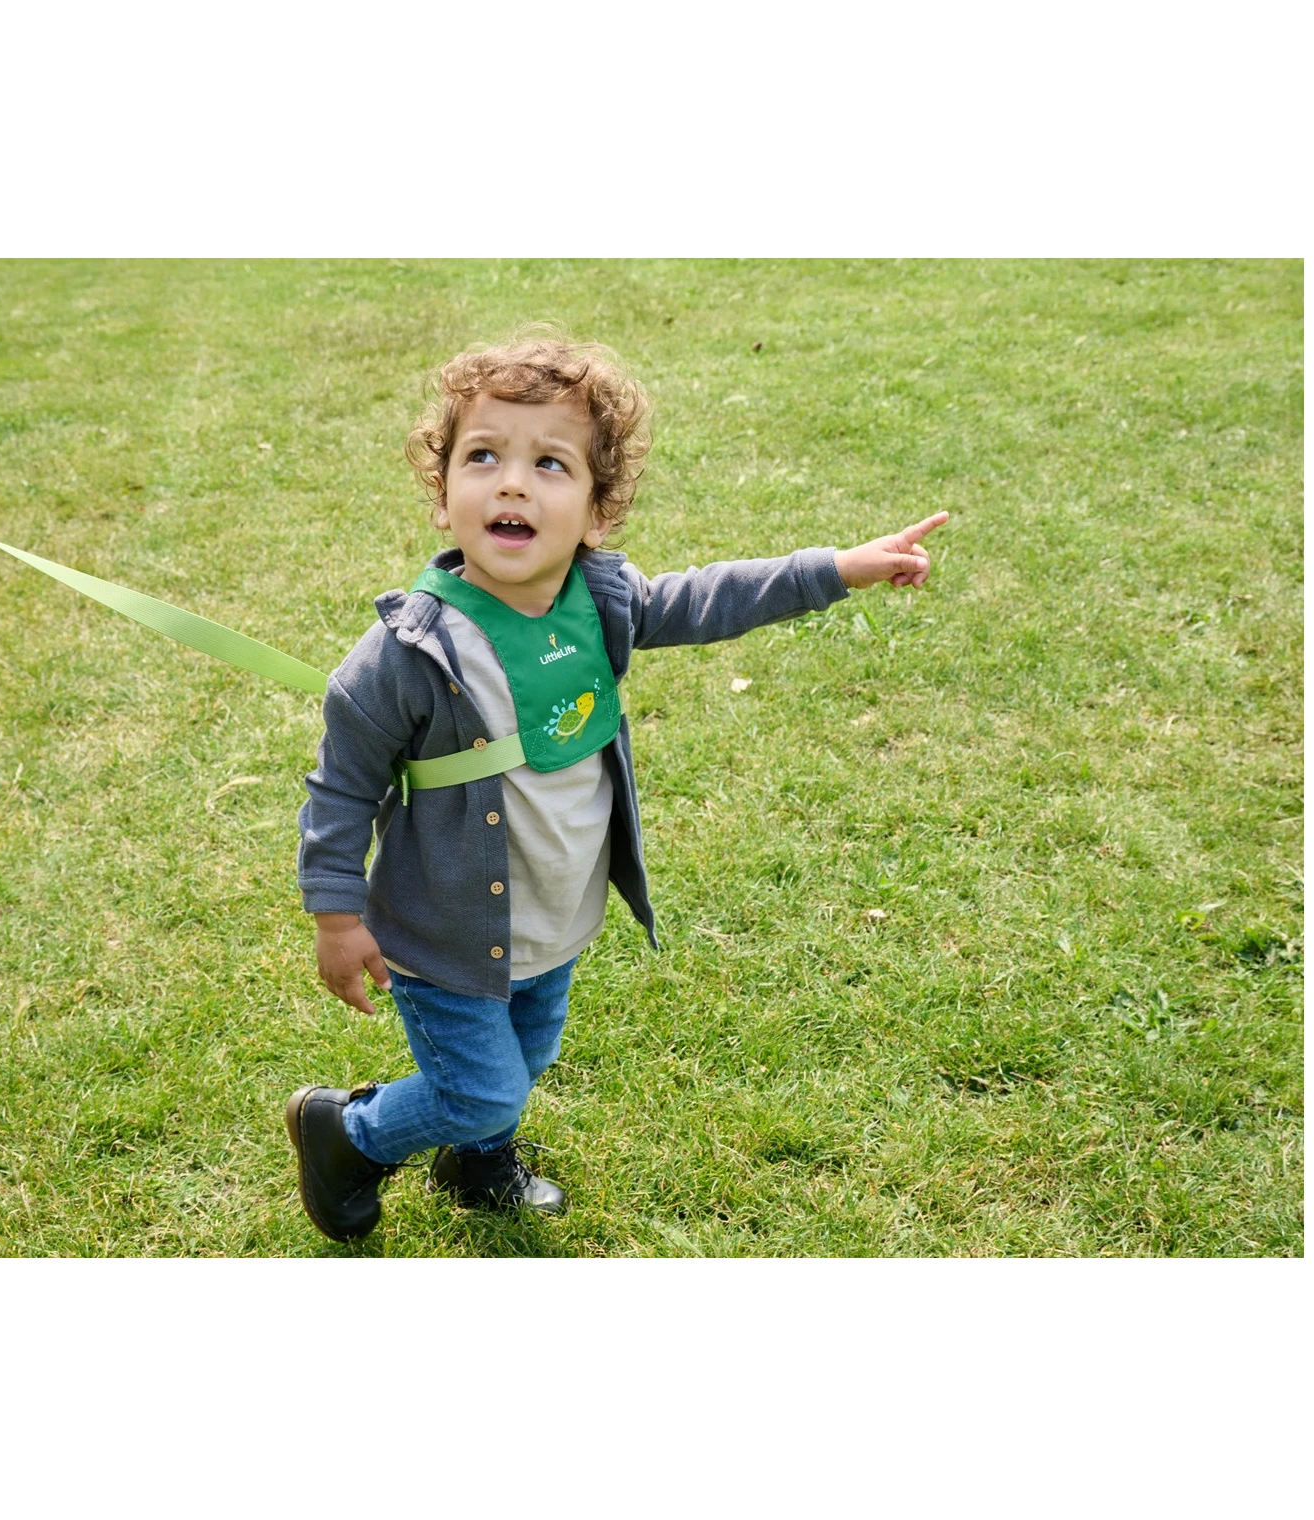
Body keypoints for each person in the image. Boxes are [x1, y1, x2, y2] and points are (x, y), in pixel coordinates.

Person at [288, 332, 947, 1242]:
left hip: (556, 912)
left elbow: (712, 598)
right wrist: (336, 916)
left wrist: (837, 568)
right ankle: (347, 1134)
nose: (512, 485)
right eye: (483, 458)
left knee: (529, 1054)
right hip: (448, 933)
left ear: (597, 513)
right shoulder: (407, 653)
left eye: (549, 464)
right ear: (443, 496)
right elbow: (340, 788)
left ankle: (477, 1162)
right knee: (481, 1088)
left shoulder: (601, 601)